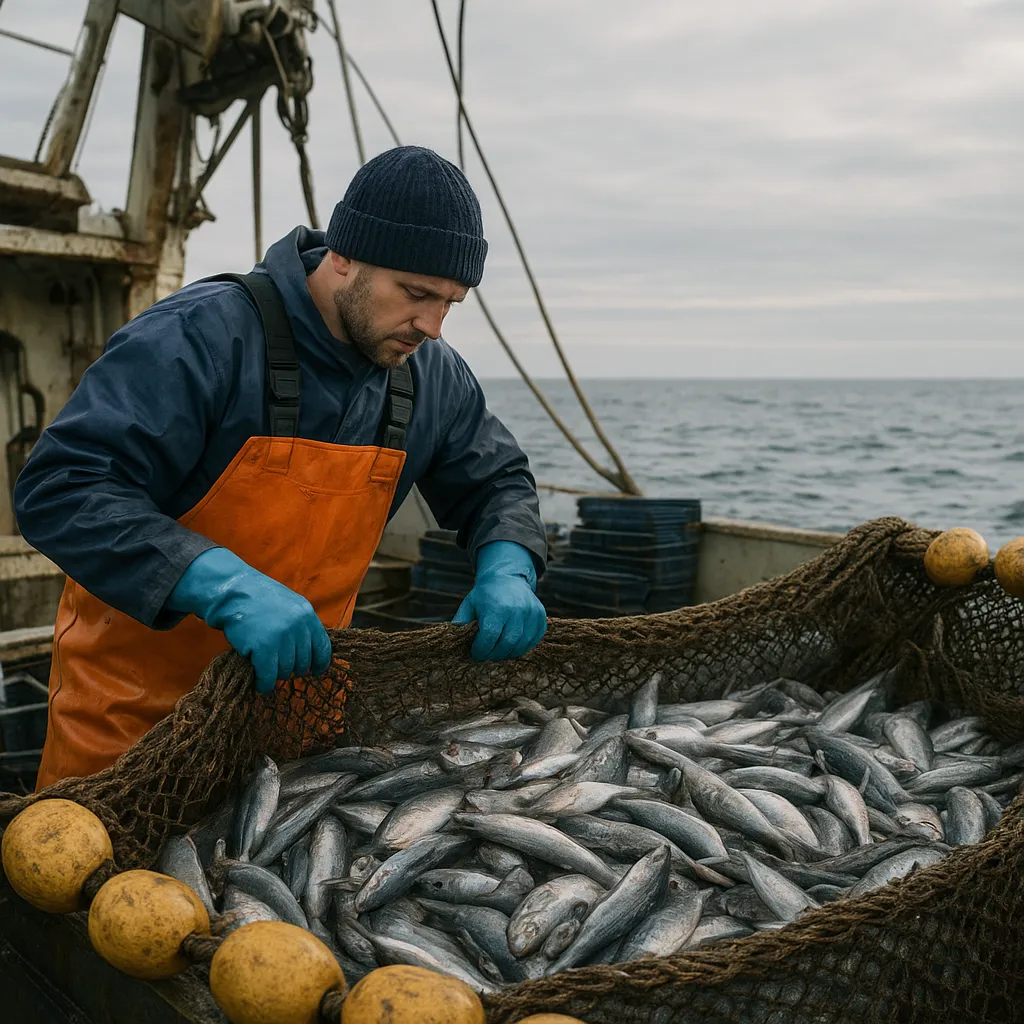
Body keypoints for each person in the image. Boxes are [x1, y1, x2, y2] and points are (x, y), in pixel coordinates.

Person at [15, 146, 549, 788]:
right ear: (344, 256)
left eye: (450, 303)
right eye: (416, 294)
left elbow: (496, 481)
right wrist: (220, 583)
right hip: (129, 724)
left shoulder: (429, 375)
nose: (432, 326)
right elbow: (62, 488)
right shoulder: (198, 337)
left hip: (293, 725)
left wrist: (509, 567)